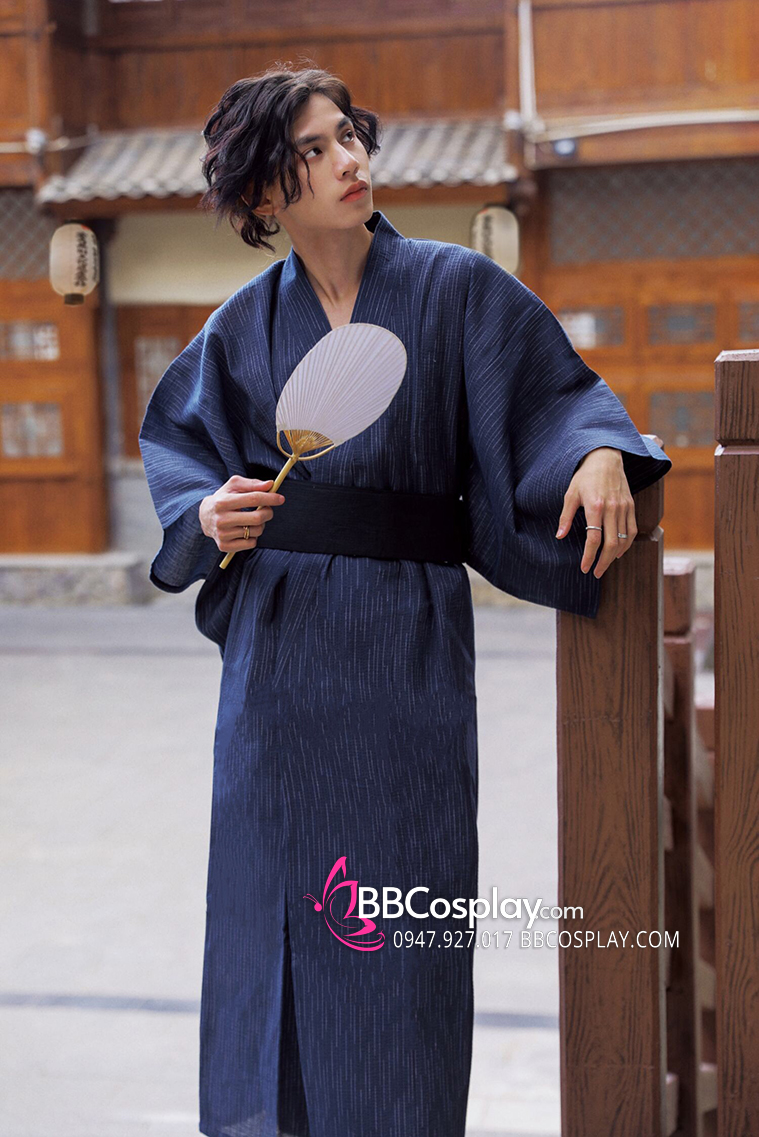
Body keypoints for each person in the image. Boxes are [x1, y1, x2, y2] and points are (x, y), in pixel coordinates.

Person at [138, 65, 672, 1137]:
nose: (348, 160)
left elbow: (556, 401)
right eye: (312, 150)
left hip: (406, 656)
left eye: (348, 136)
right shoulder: (242, 326)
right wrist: (209, 515)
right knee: (269, 914)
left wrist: (598, 452)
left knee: (400, 922)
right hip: (278, 669)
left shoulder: (454, 289)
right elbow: (182, 459)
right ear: (264, 193)